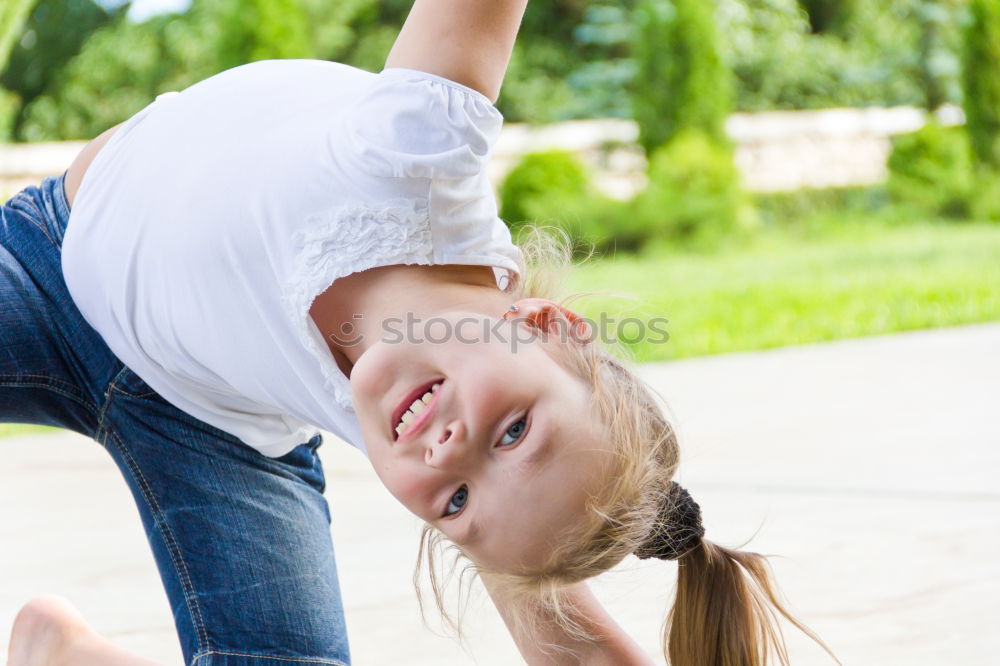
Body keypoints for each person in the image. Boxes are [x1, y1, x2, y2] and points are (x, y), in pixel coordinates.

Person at [2, 1, 837, 665]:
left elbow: (566, 647)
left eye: (458, 504)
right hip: (52, 268)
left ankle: (63, 654)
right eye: (515, 431)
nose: (447, 457)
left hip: (217, 431)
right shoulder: (419, 152)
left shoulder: (429, 410)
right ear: (546, 325)